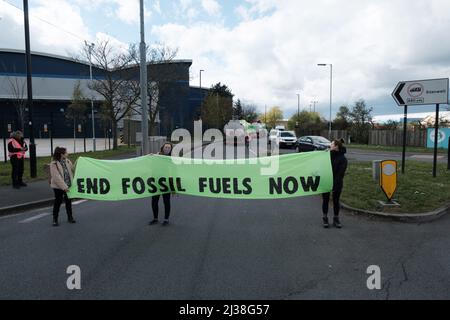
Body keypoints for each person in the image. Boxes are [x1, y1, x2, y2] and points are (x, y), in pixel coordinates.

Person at [322, 139, 348, 229]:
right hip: (326, 181)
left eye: (331, 144)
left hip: (336, 183)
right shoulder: (326, 155)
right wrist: (323, 154)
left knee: (336, 201)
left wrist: (334, 185)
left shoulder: (343, 159)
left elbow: (340, 174)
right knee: (325, 200)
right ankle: (325, 218)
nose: (330, 145)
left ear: (336, 146)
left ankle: (336, 219)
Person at [50, 147, 76, 227]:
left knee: (68, 202)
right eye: (66, 152)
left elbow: (73, 169)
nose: (67, 153)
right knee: (58, 202)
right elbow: (56, 177)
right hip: (58, 187)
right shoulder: (54, 163)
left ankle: (70, 217)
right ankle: (55, 219)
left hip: (68, 185)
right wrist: (64, 187)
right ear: (61, 154)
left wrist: (79, 162)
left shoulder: (67, 161)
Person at [149, 143, 174, 226]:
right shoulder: (157, 156)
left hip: (166, 183)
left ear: (171, 149)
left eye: (169, 147)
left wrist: (173, 186)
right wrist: (151, 157)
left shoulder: (172, 159)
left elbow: (175, 172)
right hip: (156, 181)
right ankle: (155, 218)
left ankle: (166, 219)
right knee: (154, 201)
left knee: (166, 201)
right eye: (166, 147)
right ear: (162, 148)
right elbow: (150, 163)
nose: (167, 149)